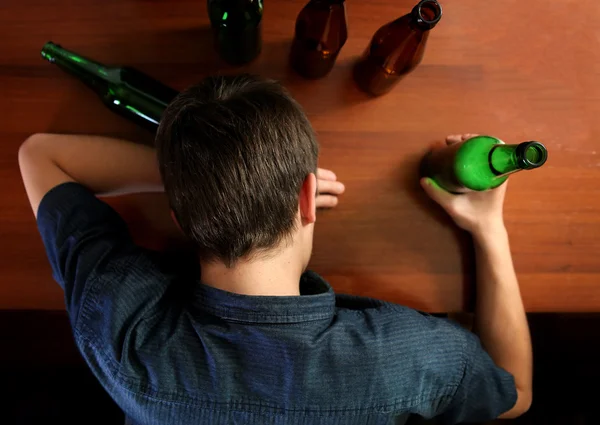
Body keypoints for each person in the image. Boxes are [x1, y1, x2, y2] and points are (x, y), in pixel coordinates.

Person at [19, 74, 532, 425]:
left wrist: (200, 180)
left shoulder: (122, 338)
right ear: (308, 198)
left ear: (180, 218)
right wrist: (490, 230)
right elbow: (515, 397)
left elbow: (42, 155)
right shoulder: (413, 358)